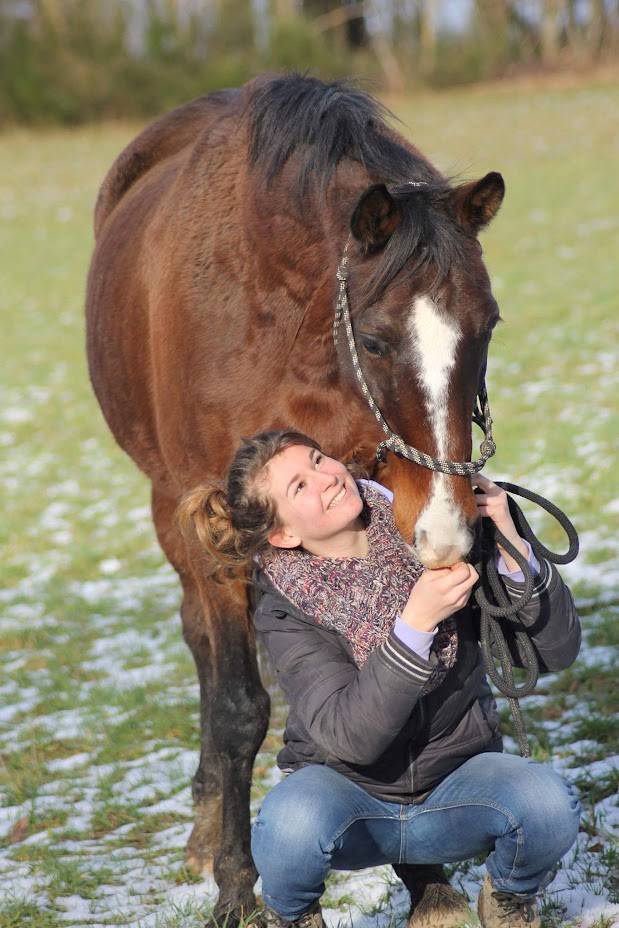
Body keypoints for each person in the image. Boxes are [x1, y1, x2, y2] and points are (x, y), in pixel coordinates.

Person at [177, 430, 581, 928]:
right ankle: (296, 915)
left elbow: (556, 650)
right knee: (288, 827)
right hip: (350, 802)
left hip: (457, 786)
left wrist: (509, 537)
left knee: (549, 803)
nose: (326, 478)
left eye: (319, 459)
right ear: (283, 535)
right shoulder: (284, 609)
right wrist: (416, 624)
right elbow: (353, 737)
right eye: (299, 487)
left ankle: (507, 898)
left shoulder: (432, 532)